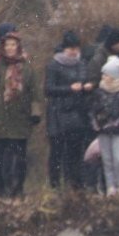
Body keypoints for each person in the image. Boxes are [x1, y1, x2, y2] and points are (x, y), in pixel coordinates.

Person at [0, 31, 42, 197]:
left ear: (18, 47)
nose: (10, 48)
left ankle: (18, 188)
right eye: (7, 45)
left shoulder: (28, 68)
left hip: (20, 117)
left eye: (13, 44)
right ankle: (1, 188)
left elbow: (35, 91)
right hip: (1, 117)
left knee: (20, 156)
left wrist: (35, 112)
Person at [45, 30, 92, 191]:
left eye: (76, 48)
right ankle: (55, 184)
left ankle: (75, 184)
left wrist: (86, 87)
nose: (73, 52)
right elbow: (49, 89)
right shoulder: (54, 65)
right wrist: (69, 89)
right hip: (58, 113)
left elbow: (85, 81)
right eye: (71, 48)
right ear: (64, 48)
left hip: (77, 113)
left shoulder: (82, 64)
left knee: (75, 151)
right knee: (57, 151)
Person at [91, 56, 119, 196]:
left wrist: (117, 123)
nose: (103, 77)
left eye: (106, 74)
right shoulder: (100, 92)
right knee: (107, 159)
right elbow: (93, 109)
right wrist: (95, 122)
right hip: (103, 130)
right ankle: (111, 186)